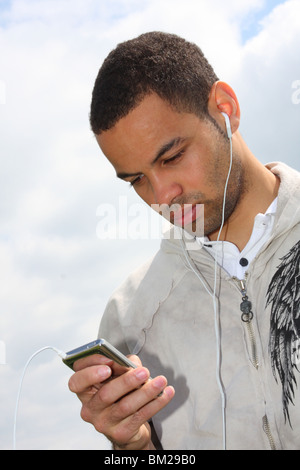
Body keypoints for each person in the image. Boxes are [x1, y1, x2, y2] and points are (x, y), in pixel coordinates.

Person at [68, 32, 300, 450]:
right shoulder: (130, 318)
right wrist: (134, 447)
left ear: (225, 109)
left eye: (171, 157)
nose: (161, 196)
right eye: (136, 179)